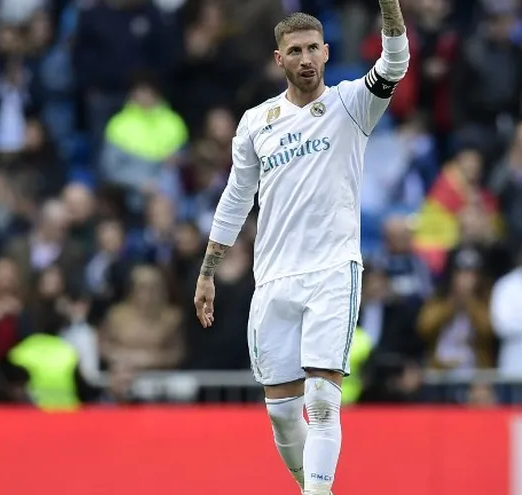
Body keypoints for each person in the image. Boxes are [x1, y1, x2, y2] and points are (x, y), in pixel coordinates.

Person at [192, 3, 409, 495]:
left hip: (333, 270)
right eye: (296, 51)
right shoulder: (256, 122)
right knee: (285, 416)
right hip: (273, 279)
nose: (306, 58)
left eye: (314, 48)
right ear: (279, 59)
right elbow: (235, 198)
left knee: (323, 400)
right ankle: (314, 488)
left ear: (327, 52)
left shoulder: (352, 104)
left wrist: (390, 7)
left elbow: (395, 62)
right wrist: (208, 271)